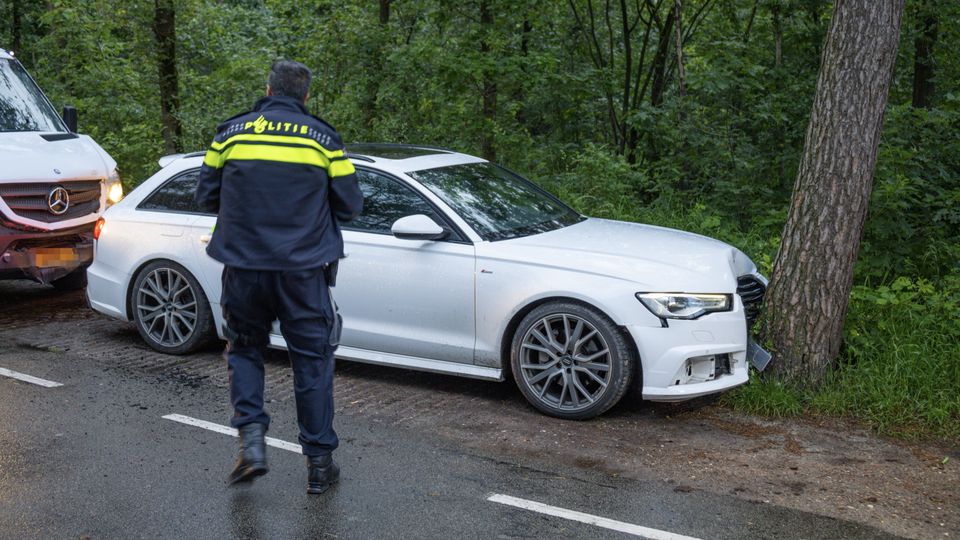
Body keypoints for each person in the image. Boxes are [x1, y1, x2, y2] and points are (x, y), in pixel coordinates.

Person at [195, 59, 363, 494]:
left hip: (244, 270)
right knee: (312, 361)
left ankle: (251, 444)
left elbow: (205, 196)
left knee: (245, 349)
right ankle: (320, 467)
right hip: (302, 273)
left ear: (267, 90)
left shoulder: (229, 134)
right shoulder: (324, 140)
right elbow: (349, 206)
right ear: (305, 97)